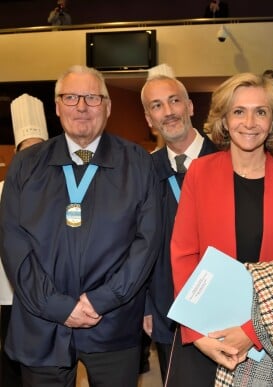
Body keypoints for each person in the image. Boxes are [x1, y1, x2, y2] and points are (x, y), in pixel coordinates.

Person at [0, 65, 161, 387]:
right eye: (71, 97)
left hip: (113, 321)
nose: (82, 107)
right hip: (41, 322)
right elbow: (13, 243)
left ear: (108, 106)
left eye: (92, 97)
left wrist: (102, 300)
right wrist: (56, 305)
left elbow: (147, 241)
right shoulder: (26, 165)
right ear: (57, 106)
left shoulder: (137, 162)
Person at [168, 72, 273, 386]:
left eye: (260, 112)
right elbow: (184, 254)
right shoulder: (199, 172)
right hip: (203, 332)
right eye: (239, 111)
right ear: (224, 120)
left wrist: (251, 333)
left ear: (272, 120)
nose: (249, 122)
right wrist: (197, 333)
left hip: (264, 338)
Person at [140, 73, 217, 383]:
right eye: (157, 106)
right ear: (149, 118)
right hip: (165, 306)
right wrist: (144, 304)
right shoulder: (145, 170)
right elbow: (137, 242)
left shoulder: (228, 158)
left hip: (223, 303)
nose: (168, 111)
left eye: (174, 100)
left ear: (190, 105)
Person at [0, 93, 49, 387]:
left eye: (39, 152)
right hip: (7, 293)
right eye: (27, 152)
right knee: (9, 360)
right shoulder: (1, 189)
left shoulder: (62, 190)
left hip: (48, 293)